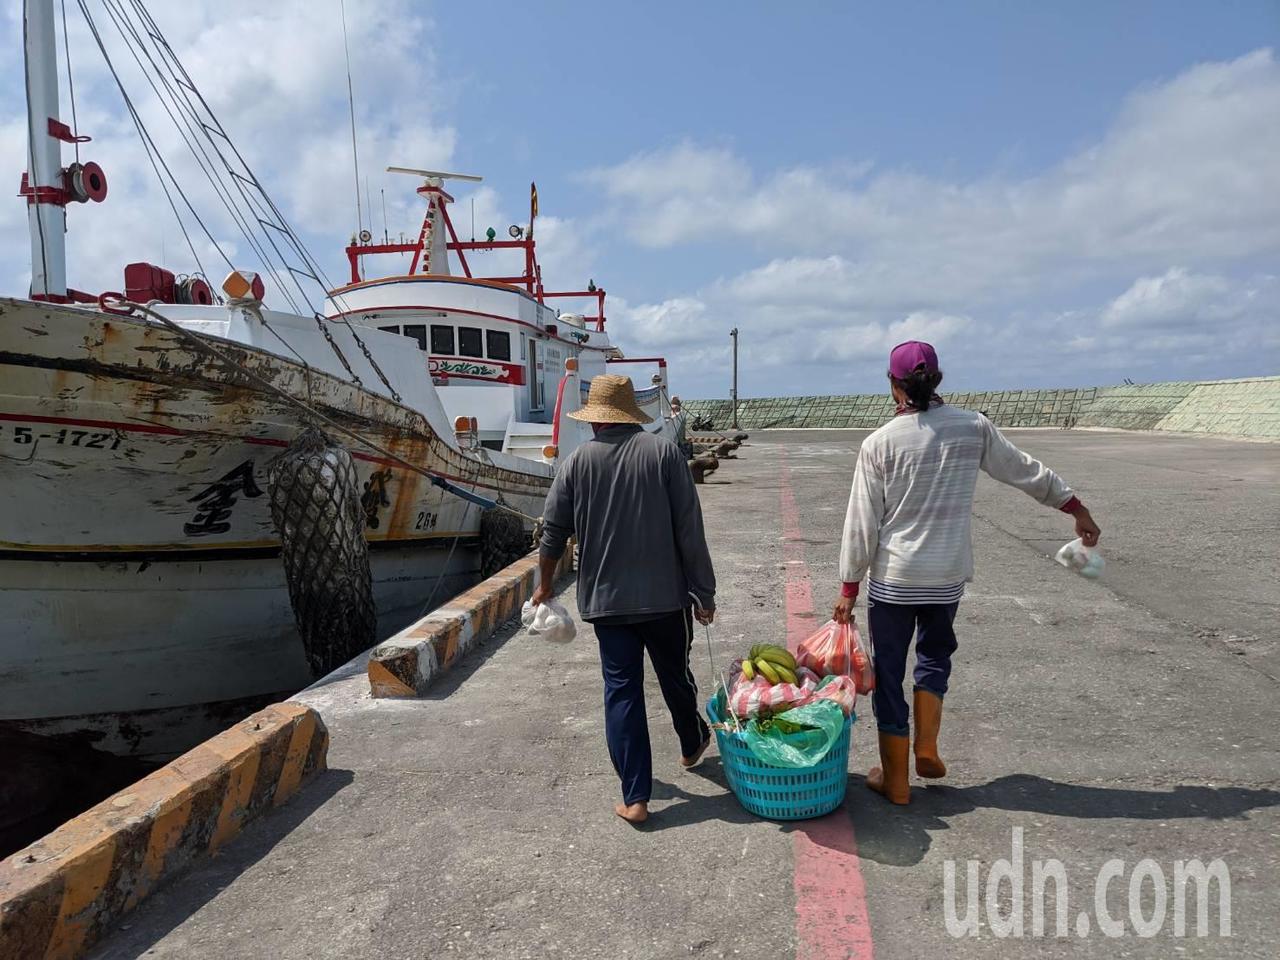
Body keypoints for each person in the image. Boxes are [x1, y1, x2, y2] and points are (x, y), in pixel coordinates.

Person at [832, 341, 1101, 806]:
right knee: (935, 657)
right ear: (936, 379)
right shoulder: (972, 427)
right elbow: (1023, 470)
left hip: (894, 581)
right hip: (946, 575)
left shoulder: (879, 443)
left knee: (890, 672)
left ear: (893, 385)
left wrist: (849, 587)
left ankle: (896, 782)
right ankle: (928, 747)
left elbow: (862, 522)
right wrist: (1074, 507)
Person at [532, 374, 717, 825]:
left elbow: (553, 534)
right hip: (665, 600)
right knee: (675, 675)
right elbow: (689, 529)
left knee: (622, 692)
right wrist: (704, 592)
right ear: (632, 416)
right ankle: (692, 743)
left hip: (607, 603)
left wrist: (542, 585)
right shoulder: (665, 455)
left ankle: (635, 797)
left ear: (594, 421)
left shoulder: (575, 464)